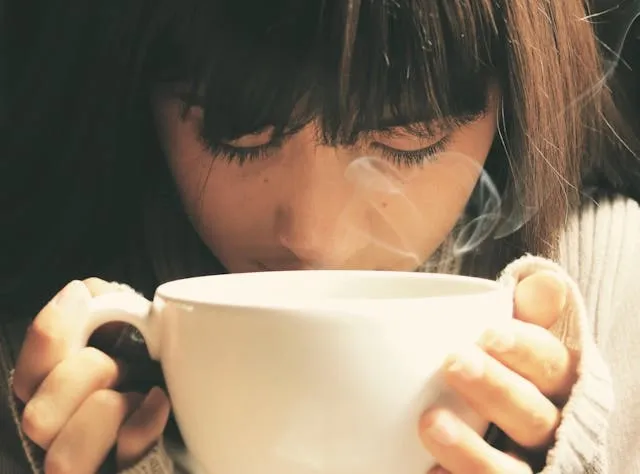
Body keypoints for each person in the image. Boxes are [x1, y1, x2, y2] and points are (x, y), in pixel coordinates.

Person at [1, 0, 640, 473]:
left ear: (515, 100)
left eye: (407, 139)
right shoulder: (47, 350)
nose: (314, 240)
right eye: (238, 135)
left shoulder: (616, 290)